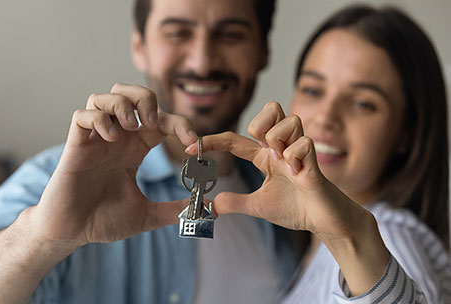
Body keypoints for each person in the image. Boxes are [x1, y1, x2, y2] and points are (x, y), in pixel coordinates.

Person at [0, 0, 300, 303]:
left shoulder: (282, 198)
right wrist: (44, 238)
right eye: (177, 33)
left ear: (263, 50)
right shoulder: (60, 182)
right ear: (139, 46)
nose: (201, 61)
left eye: (230, 34)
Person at [188, 4, 450, 303]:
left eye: (363, 103)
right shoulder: (302, 246)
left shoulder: (391, 240)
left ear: (407, 133)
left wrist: (351, 240)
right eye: (313, 90)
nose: (326, 116)